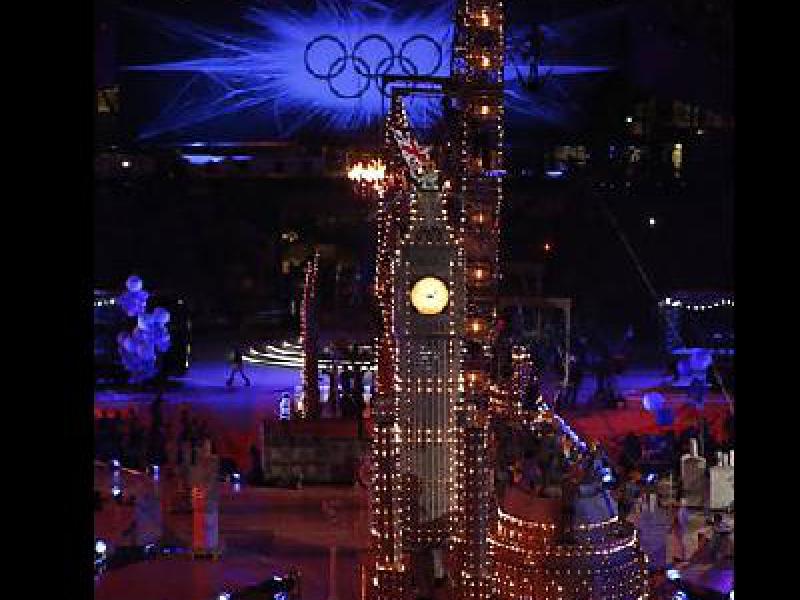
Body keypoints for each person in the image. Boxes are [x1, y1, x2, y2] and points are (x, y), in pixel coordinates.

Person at [670, 496, 690, 563]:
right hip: (682, 529)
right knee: (680, 543)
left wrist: (670, 528)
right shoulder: (684, 510)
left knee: (678, 543)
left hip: (678, 530)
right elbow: (687, 520)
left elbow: (676, 520)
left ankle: (679, 557)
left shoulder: (679, 511)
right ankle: (681, 557)